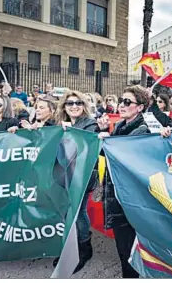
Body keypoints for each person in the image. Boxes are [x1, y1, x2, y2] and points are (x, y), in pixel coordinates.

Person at [97, 85, 150, 278]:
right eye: (121, 100)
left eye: (128, 102)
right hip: (117, 193)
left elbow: (124, 157)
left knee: (131, 248)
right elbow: (106, 153)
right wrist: (103, 132)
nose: (122, 105)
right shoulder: (119, 125)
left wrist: (108, 140)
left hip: (132, 198)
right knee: (122, 246)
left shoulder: (144, 129)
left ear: (140, 107)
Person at [53, 90, 100, 272]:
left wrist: (68, 132)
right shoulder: (59, 124)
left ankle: (84, 249)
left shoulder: (90, 124)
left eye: (78, 103)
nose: (74, 106)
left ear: (84, 106)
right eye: (70, 103)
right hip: (63, 175)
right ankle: (69, 247)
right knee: (66, 211)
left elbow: (84, 145)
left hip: (83, 176)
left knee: (78, 212)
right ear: (64, 106)